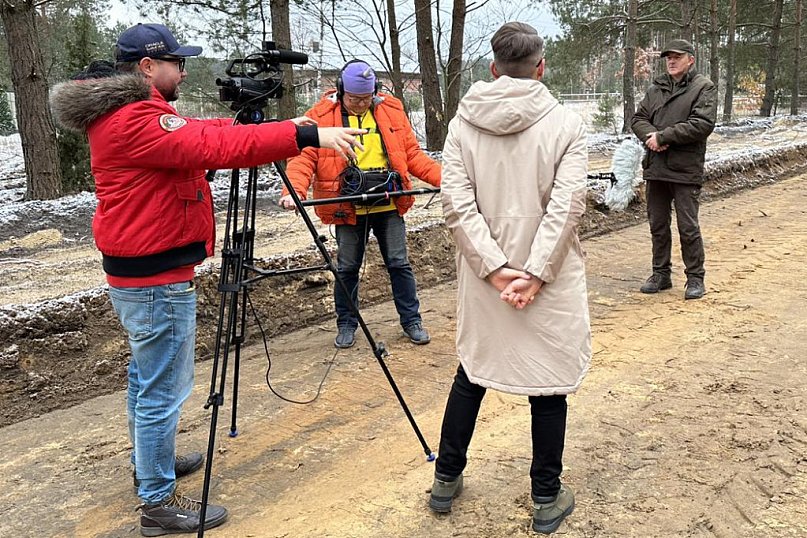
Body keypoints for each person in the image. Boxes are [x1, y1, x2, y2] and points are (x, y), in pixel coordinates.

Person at [50, 23, 364, 537]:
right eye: (177, 61)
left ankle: (151, 463)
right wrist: (304, 134)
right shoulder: (133, 118)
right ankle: (156, 502)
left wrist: (274, 126)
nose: (185, 69)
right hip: (155, 276)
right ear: (147, 67)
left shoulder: (133, 111)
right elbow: (208, 146)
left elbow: (203, 133)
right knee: (161, 390)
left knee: (144, 378)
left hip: (142, 270)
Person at [429, 22, 590, 535]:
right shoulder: (567, 123)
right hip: (547, 276)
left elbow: (456, 204)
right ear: (541, 68)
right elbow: (566, 209)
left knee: (472, 371)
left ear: (493, 68)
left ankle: (445, 480)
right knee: (547, 385)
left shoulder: (462, 125)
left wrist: (495, 270)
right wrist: (535, 275)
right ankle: (546, 495)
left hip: (487, 278)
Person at [279, 59, 441, 349]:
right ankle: (346, 324)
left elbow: (412, 155)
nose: (360, 104)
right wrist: (294, 190)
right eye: (354, 99)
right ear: (342, 91)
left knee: (399, 263)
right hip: (347, 205)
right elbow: (304, 158)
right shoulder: (320, 116)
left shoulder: (390, 111)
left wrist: (445, 179)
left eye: (366, 99)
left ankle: (412, 321)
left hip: (388, 203)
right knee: (347, 268)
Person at [631, 39, 717, 300]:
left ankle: (695, 278)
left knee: (687, 226)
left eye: (677, 56)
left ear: (691, 59)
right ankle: (661, 274)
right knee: (657, 224)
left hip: (685, 168)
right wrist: (651, 137)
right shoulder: (656, 88)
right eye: (668, 57)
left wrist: (664, 137)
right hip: (656, 167)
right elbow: (638, 119)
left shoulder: (703, 88)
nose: (671, 60)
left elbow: (702, 124)